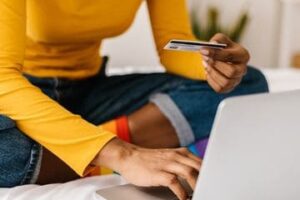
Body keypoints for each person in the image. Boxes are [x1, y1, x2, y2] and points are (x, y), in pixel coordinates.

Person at [0, 0, 268, 199]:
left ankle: (74, 150)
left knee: (248, 82)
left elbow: (173, 46)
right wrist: (123, 154)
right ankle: (100, 154)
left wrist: (212, 64)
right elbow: (4, 78)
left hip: (91, 89)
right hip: (22, 90)